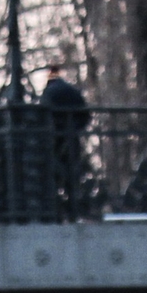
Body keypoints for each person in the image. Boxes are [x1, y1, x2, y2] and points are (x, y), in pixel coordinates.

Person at [40, 63, 91, 215]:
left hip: (55, 140)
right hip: (72, 137)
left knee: (54, 174)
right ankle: (74, 208)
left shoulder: (48, 93)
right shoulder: (73, 91)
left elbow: (43, 116)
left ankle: (55, 208)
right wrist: (76, 128)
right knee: (73, 173)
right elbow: (85, 115)